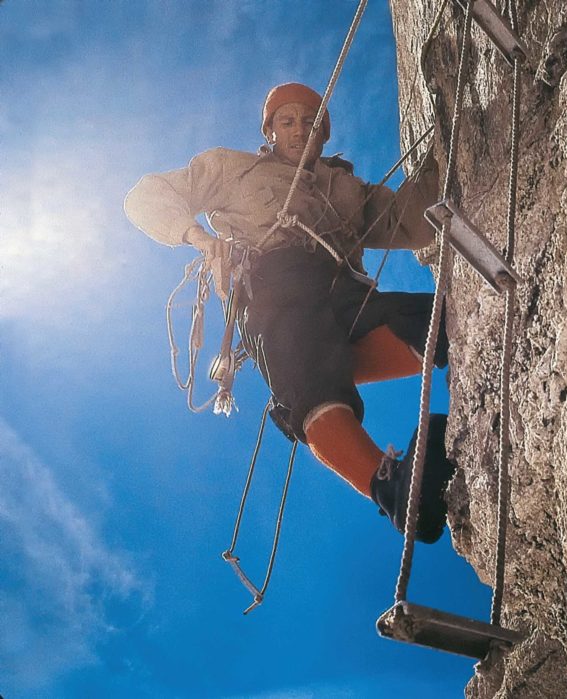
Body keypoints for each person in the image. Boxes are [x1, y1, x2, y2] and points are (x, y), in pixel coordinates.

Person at [125, 82, 453, 543]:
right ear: (270, 131)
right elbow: (146, 196)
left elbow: (409, 220)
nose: (300, 129)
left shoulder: (344, 189)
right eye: (288, 120)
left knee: (446, 321)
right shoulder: (233, 169)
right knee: (312, 385)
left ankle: (465, 425)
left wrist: (447, 150)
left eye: (310, 121)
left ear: (324, 133)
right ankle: (393, 489)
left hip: (343, 289)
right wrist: (198, 238)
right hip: (273, 285)